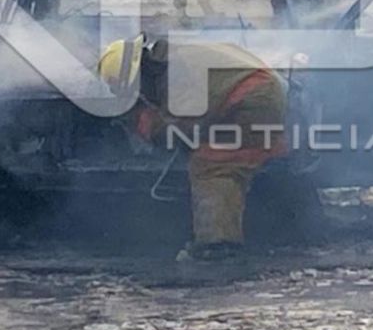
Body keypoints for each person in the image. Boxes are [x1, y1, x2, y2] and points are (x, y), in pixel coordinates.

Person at [98, 38, 288, 261]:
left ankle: (217, 247)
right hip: (258, 92)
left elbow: (181, 130)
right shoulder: (175, 55)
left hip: (252, 100)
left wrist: (145, 123)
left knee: (213, 166)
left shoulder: (176, 74)